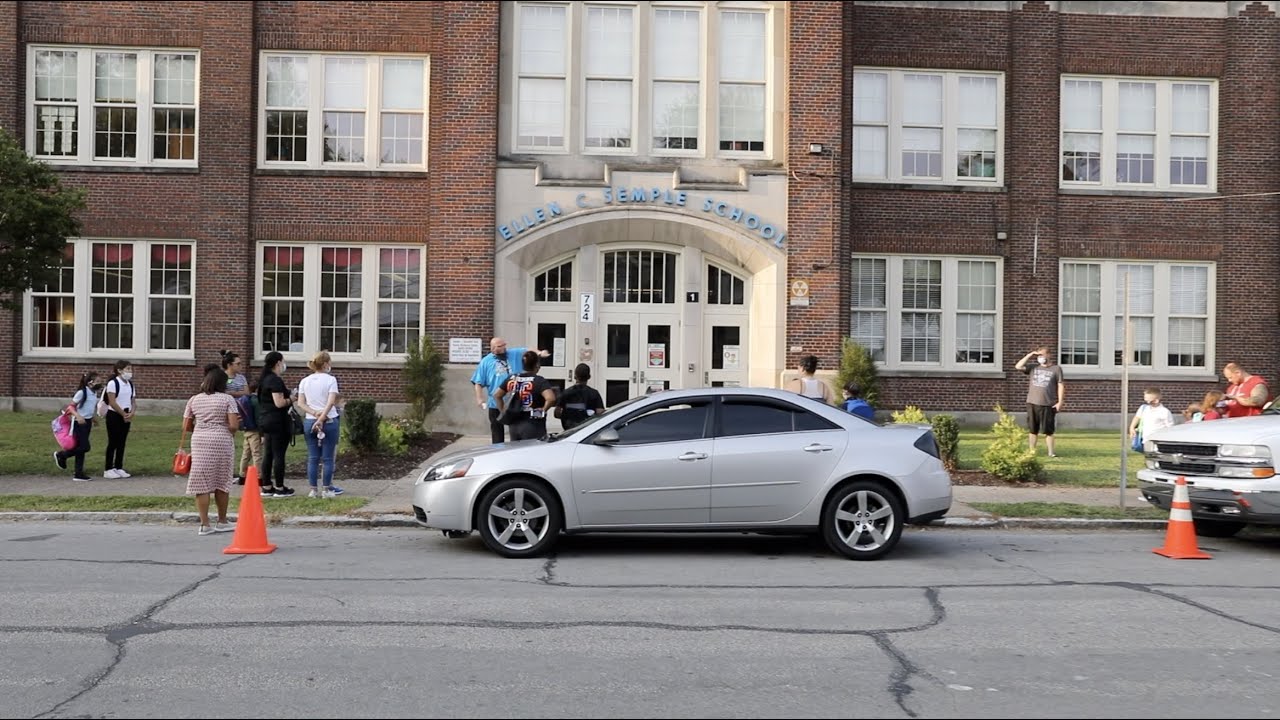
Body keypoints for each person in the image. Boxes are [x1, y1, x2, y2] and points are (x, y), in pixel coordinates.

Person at [183, 368, 240, 536]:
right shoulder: (227, 399)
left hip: (200, 440)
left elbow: (186, 425)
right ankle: (222, 520)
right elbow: (234, 426)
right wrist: (225, 425)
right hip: (221, 440)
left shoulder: (194, 399)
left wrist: (200, 428)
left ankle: (204, 524)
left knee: (202, 482)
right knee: (222, 480)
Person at [471, 337, 549, 444]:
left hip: (515, 402)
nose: (503, 349)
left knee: (516, 428)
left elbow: (528, 351)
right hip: (496, 404)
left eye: (504, 346)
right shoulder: (485, 362)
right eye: (500, 347)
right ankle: (498, 452)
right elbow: (478, 382)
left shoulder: (514, 353)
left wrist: (540, 353)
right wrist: (479, 398)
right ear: (493, 348)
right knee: (497, 432)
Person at [296, 350, 343, 498]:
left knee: (313, 457)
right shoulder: (330, 380)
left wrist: (314, 413)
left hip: (310, 420)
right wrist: (322, 417)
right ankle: (327, 489)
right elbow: (331, 402)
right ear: (325, 364)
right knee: (328, 458)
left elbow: (300, 403)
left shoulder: (305, 381)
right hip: (329, 420)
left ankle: (313, 489)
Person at [255, 351, 296, 497]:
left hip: (265, 420)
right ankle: (279, 487)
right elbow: (279, 403)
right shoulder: (275, 381)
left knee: (268, 454)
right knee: (279, 454)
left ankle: (266, 485)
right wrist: (292, 399)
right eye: (282, 362)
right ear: (278, 363)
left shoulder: (264, 380)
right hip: (277, 421)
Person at [493, 350, 557, 441]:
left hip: (514, 422)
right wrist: (542, 410)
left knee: (516, 451)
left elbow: (497, 395)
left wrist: (504, 411)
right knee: (532, 451)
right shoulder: (539, 380)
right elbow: (551, 398)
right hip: (533, 423)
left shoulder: (512, 378)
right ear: (537, 365)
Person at [1015, 345, 1065, 457]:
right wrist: (1029, 355)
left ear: (1049, 355)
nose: (1040, 357)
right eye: (1038, 355)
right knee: (1033, 429)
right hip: (1032, 402)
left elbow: (1060, 385)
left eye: (1042, 354)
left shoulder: (1056, 369)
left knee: (1049, 430)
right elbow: (1018, 366)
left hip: (1048, 404)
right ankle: (1031, 451)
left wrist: (1060, 401)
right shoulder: (1033, 367)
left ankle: (1051, 452)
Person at [53, 371, 102, 481]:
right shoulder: (82, 392)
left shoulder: (93, 393)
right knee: (85, 447)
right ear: (90, 382)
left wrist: (93, 419)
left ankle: (78, 473)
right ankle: (62, 455)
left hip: (87, 422)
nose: (100, 383)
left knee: (80, 448)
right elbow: (70, 407)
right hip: (79, 423)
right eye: (97, 381)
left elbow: (89, 408)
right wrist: (78, 416)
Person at [102, 360, 136, 479]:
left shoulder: (130, 384)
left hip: (126, 415)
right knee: (113, 442)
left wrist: (131, 412)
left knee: (122, 442)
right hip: (114, 415)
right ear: (119, 370)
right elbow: (112, 401)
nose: (130, 372)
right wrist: (122, 414)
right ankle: (108, 468)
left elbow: (132, 400)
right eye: (127, 369)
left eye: (131, 369)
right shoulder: (113, 383)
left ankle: (118, 466)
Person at [555, 363, 605, 430]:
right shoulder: (594, 393)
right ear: (589, 377)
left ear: (575, 376)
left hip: (569, 429)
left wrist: (566, 416)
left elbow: (557, 413)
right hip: (587, 428)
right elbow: (600, 412)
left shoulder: (565, 393)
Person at [234, 378, 264, 485]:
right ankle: (259, 477)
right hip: (255, 431)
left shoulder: (245, 399)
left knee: (245, 454)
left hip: (246, 430)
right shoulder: (257, 402)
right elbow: (258, 418)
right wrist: (262, 434)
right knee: (256, 454)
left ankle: (242, 475)